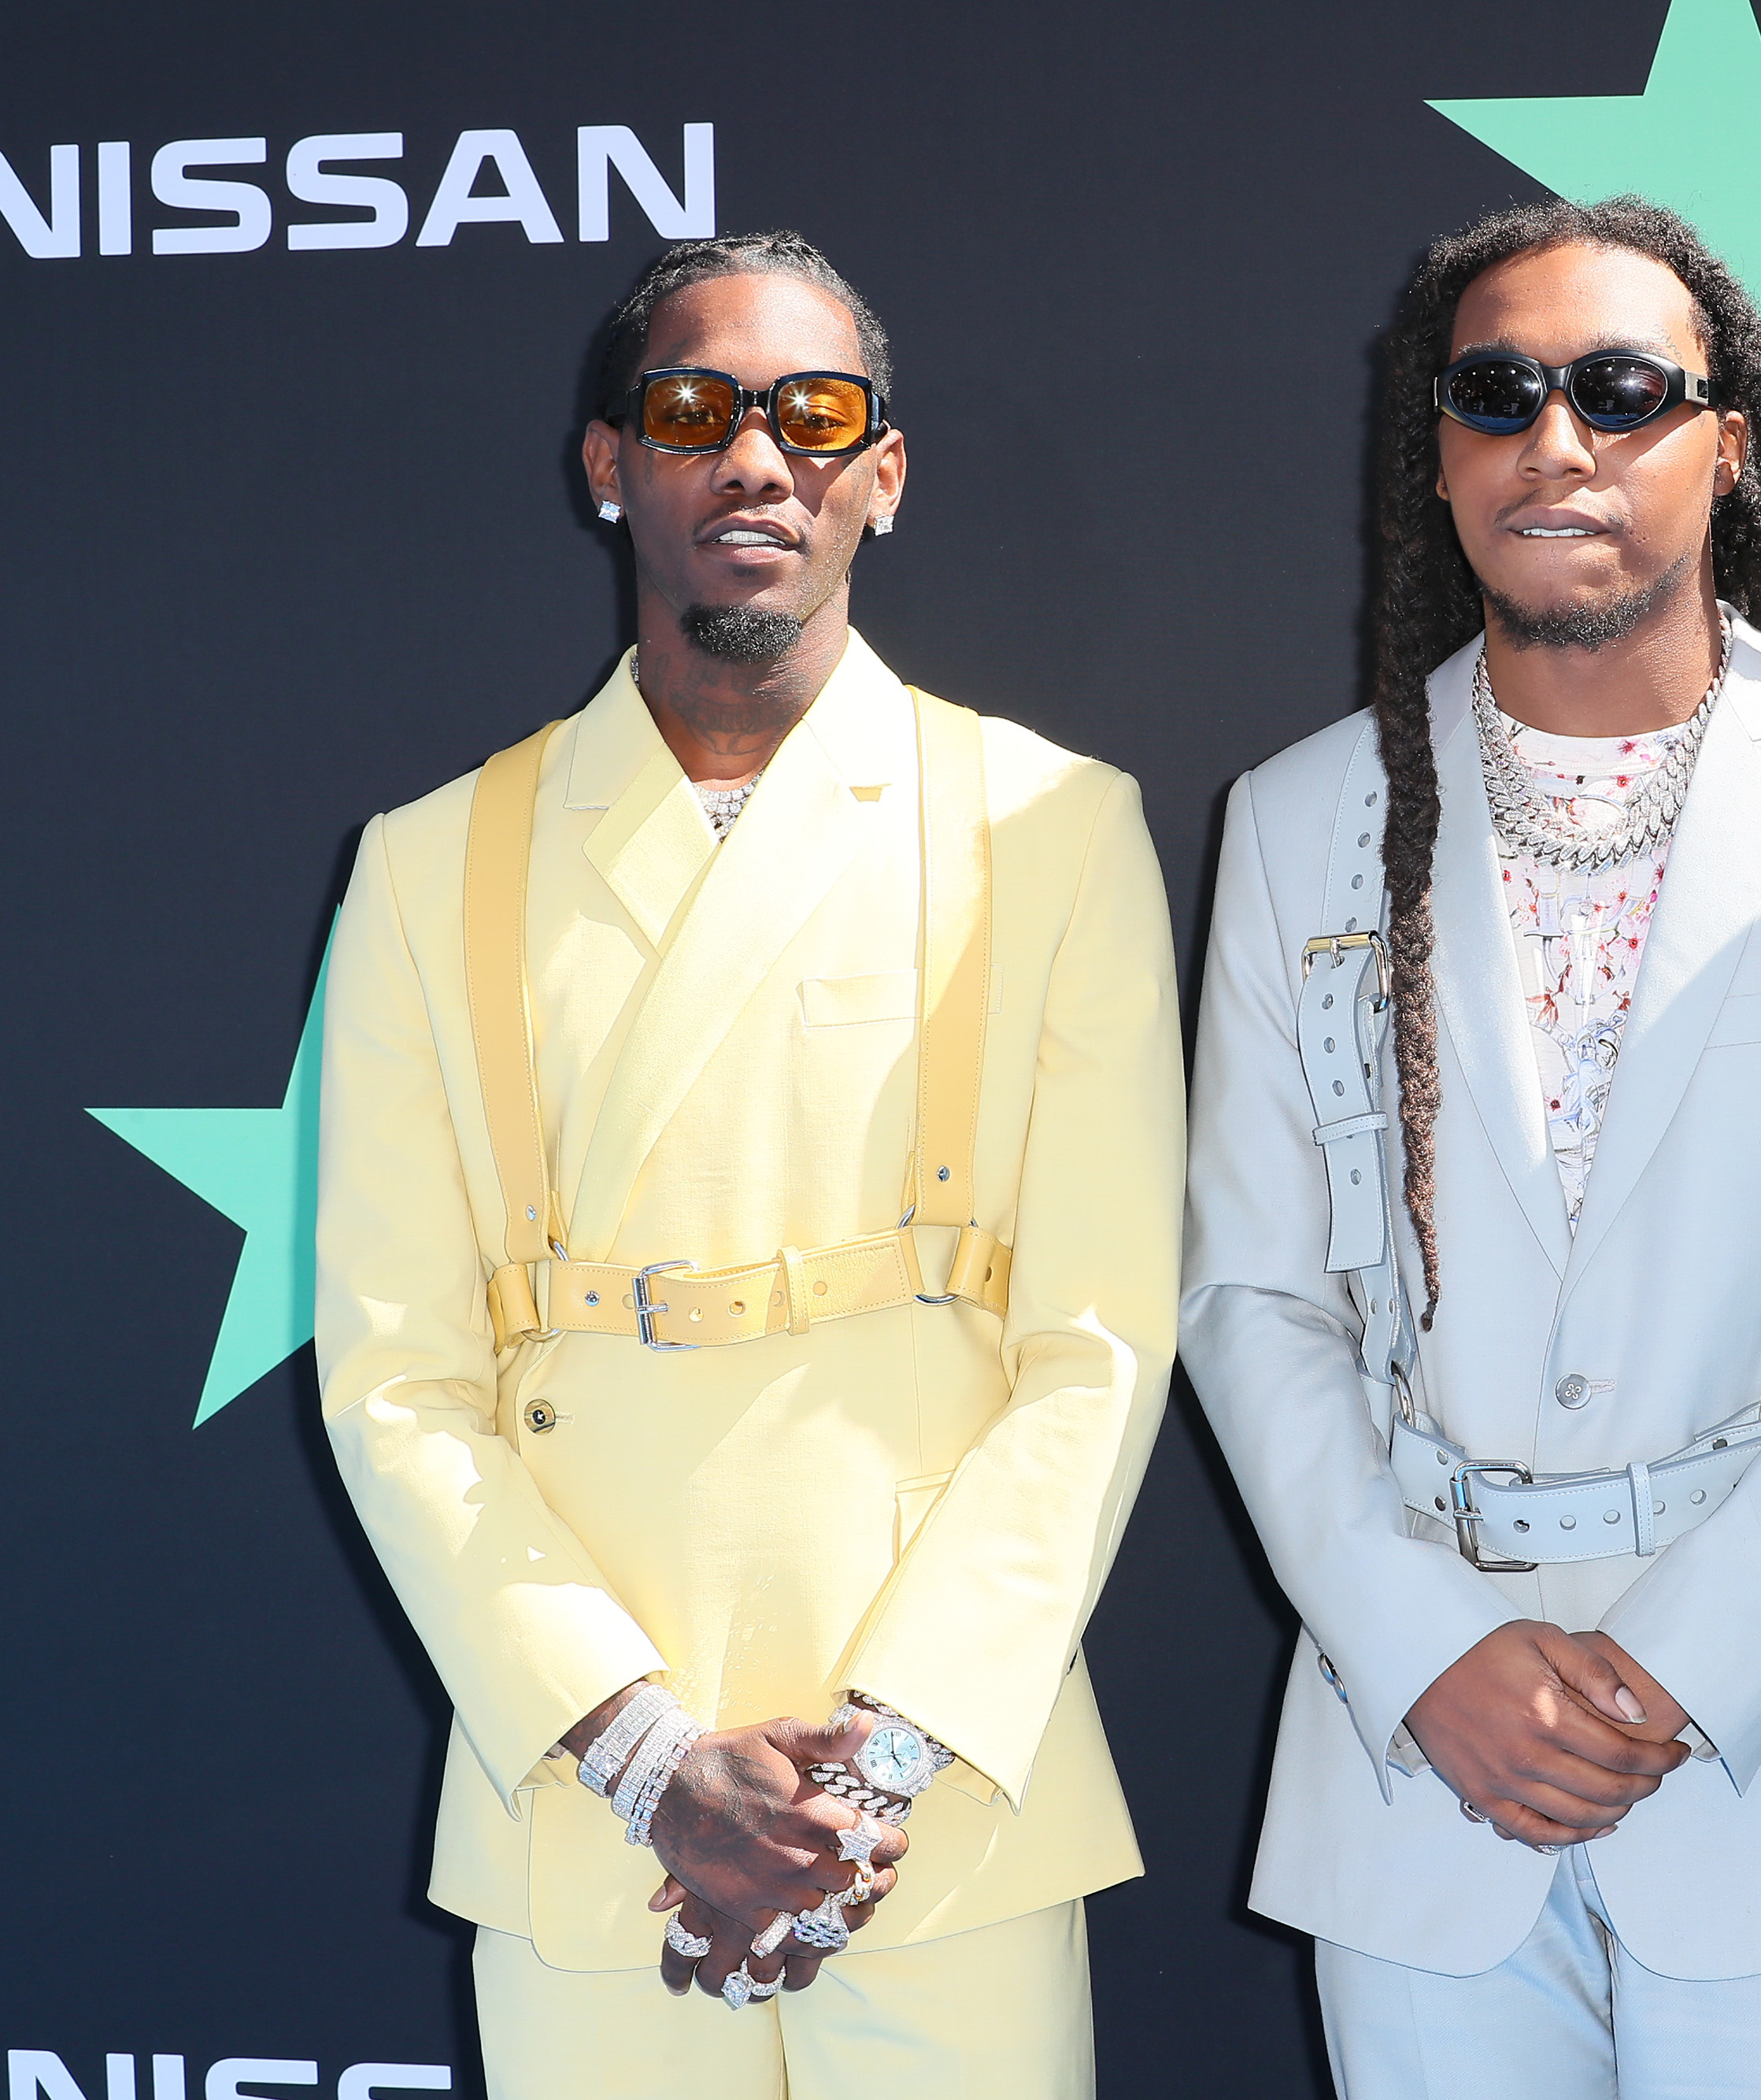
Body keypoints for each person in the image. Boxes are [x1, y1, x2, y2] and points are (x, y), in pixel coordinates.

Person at [313, 230, 1182, 2098]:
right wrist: (638, 1751)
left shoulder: (1052, 827)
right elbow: (395, 1376)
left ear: (884, 468)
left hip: (945, 1801)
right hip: (589, 1800)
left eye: (815, 414)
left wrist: (875, 1765)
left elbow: (1100, 1344)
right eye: (695, 411)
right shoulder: (427, 861)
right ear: (609, 461)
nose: (756, 460)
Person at [1181, 198, 1761, 2098]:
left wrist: (1681, 1662)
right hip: (1412, 1764)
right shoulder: (1298, 817)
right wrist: (1426, 1650)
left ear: (1728, 443)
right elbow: (1246, 1292)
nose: (1557, 441)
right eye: (1499, 393)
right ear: (1440, 453)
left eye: (1622, 389)